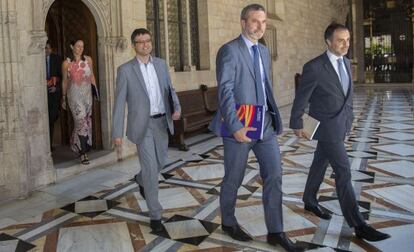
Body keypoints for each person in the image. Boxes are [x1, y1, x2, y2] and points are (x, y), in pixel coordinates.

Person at [208, 4, 303, 252]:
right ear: (243, 23)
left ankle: (276, 232)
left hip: (265, 126)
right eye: (255, 21)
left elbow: (263, 86)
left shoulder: (262, 50)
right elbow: (226, 91)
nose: (260, 26)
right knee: (234, 178)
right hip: (240, 127)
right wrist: (235, 125)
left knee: (274, 175)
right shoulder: (229, 51)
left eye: (263, 22)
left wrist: (274, 116)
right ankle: (228, 222)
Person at [289, 22, 390, 242]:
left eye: (348, 40)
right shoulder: (314, 67)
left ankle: (309, 198)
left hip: (340, 124)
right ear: (328, 41)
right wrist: (296, 122)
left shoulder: (345, 62)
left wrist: (350, 118)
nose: (345, 44)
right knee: (344, 172)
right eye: (340, 40)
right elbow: (302, 97)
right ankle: (358, 225)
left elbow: (346, 95)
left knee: (319, 162)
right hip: (325, 127)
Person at [112, 28, 181, 232]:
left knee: (160, 162)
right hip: (142, 126)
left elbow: (169, 89)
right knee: (151, 169)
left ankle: (140, 179)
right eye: (141, 42)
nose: (145, 45)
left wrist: (176, 107)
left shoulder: (160, 65)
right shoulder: (125, 70)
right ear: (134, 46)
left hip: (161, 122)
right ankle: (155, 215)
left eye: (148, 41)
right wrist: (117, 133)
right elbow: (119, 103)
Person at [61, 39, 97, 165]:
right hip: (74, 96)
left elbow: (92, 75)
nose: (80, 48)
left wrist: (95, 91)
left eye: (82, 46)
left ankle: (76, 143)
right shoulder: (67, 63)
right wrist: (64, 97)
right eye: (78, 46)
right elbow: (65, 81)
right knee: (81, 121)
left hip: (87, 96)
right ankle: (83, 154)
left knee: (86, 121)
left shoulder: (88, 60)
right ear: (72, 46)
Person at [45, 40, 62, 151]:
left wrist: (57, 88)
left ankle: (49, 145)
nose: (46, 50)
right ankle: (46, 147)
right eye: (44, 48)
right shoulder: (36, 59)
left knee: (52, 118)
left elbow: (63, 76)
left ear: (51, 49)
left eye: (48, 48)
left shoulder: (57, 59)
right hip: (41, 95)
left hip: (53, 93)